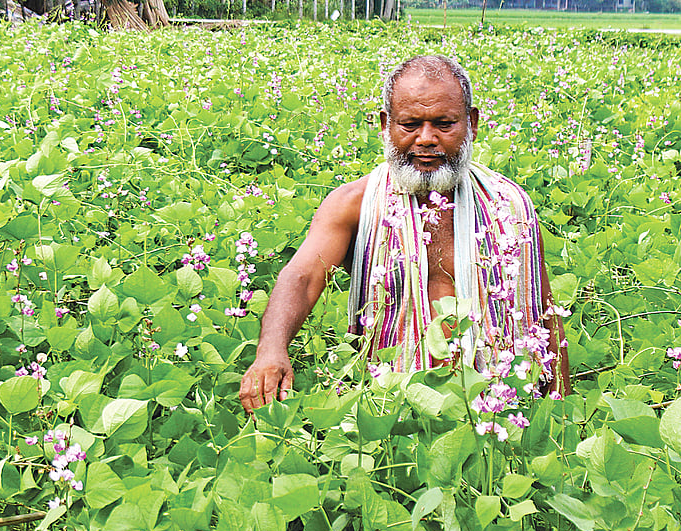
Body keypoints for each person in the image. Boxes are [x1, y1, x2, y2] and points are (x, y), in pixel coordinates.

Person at [239, 55, 570, 412]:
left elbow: (541, 313)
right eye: (410, 124)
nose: (426, 139)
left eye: (444, 124)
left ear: (472, 123)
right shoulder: (355, 204)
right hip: (390, 409)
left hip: (497, 408)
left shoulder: (509, 204)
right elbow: (302, 277)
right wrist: (271, 349)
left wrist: (560, 412)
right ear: (386, 125)